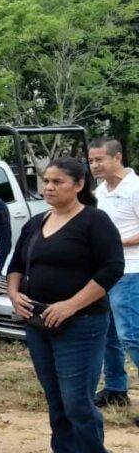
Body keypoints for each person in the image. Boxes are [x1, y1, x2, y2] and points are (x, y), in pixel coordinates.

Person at [7, 157, 123, 453]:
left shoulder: (94, 221)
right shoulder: (36, 221)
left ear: (79, 185)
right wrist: (14, 294)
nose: (49, 187)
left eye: (58, 181)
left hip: (81, 322)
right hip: (38, 320)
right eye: (46, 181)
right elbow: (16, 264)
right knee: (54, 393)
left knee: (77, 398)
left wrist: (70, 306)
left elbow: (111, 269)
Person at [89, 137, 139, 407]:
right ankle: (116, 388)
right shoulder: (100, 192)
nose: (95, 165)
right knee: (107, 332)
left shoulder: (136, 188)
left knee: (131, 334)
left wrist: (114, 242)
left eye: (100, 159)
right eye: (91, 160)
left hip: (132, 270)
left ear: (117, 158)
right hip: (105, 272)